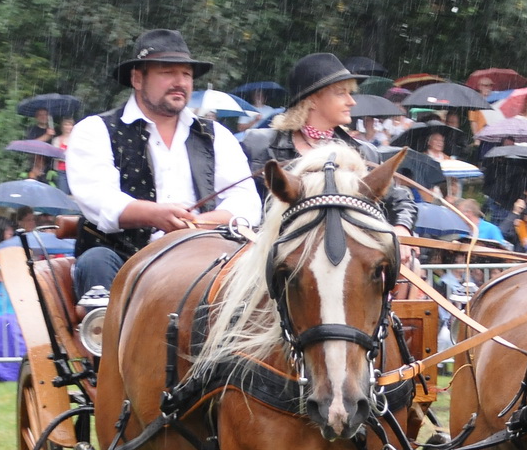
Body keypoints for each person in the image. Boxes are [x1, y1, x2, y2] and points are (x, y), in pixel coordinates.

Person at [65, 29, 262, 305]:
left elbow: (246, 203)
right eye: (168, 73)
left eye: (187, 75)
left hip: (205, 260)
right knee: (96, 260)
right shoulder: (95, 130)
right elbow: (98, 200)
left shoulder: (217, 135)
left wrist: (198, 224)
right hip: (125, 260)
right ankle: (102, 330)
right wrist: (155, 214)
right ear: (137, 78)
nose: (180, 82)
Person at [243, 52, 417, 239]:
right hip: (271, 250)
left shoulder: (364, 152)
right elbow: (240, 201)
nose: (352, 102)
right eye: (341, 93)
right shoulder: (259, 144)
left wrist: (402, 228)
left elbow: (400, 201)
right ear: (312, 100)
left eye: (350, 93)